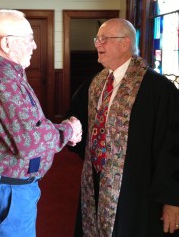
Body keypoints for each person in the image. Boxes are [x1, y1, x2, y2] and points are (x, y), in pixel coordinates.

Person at [0, 9, 82, 237]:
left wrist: (59, 130)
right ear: (7, 43)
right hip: (6, 192)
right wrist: (69, 129)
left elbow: (28, 125)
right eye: (29, 39)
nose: (34, 46)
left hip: (0, 187)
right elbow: (30, 142)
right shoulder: (1, 78)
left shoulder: (1, 71)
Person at [80, 18, 179, 236]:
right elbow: (79, 120)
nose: (98, 44)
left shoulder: (158, 89)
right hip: (97, 179)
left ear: (125, 43)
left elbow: (172, 147)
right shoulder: (98, 81)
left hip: (136, 188)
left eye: (104, 39)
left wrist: (173, 200)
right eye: (97, 38)